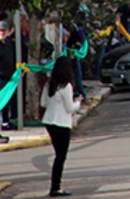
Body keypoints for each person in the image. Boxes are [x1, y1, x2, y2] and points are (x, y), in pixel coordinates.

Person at [41, 56, 82, 197]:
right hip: (62, 123)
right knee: (60, 157)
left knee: (58, 155)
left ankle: (55, 186)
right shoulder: (67, 86)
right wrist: (79, 102)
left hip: (49, 121)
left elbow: (43, 103)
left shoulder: (49, 84)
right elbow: (70, 108)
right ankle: (55, 187)